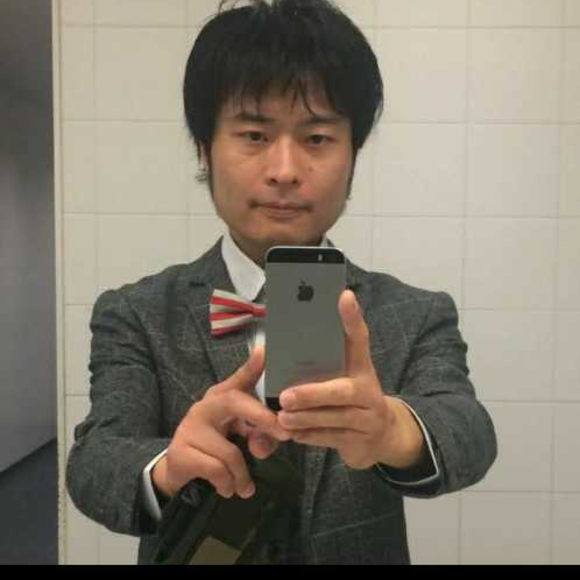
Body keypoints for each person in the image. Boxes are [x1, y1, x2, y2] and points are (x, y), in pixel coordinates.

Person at [66, 0, 497, 565]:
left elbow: (470, 433)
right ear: (205, 148)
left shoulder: (413, 312)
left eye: (317, 138)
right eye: (253, 134)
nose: (285, 170)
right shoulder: (137, 312)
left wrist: (392, 430)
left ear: (353, 154)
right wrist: (169, 466)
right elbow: (94, 462)